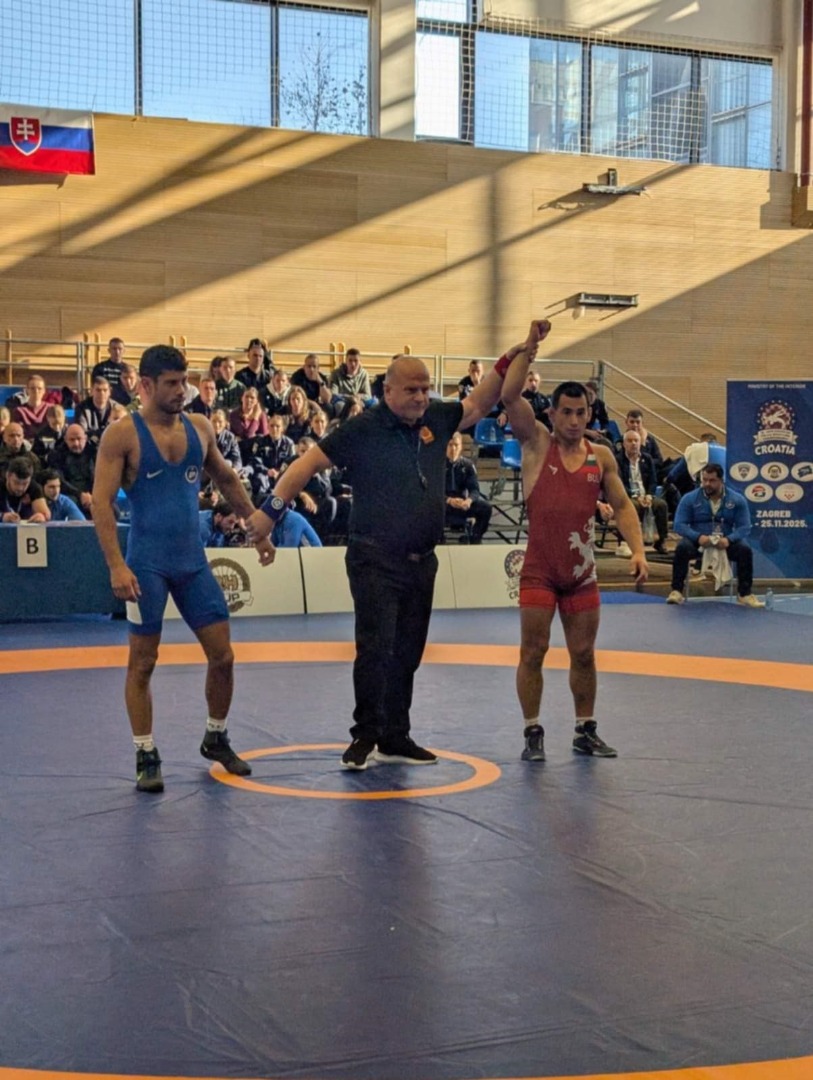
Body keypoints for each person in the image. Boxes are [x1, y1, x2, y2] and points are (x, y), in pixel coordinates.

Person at [246, 320, 551, 770]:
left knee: (408, 652)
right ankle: (365, 734)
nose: (421, 397)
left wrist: (514, 354)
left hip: (421, 561)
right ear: (387, 390)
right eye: (412, 390)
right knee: (376, 648)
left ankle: (395, 736)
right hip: (374, 558)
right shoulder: (363, 428)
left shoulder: (436, 418)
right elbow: (306, 464)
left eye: (426, 389)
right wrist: (268, 513)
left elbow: (481, 400)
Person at [92, 344, 274, 794]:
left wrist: (257, 527)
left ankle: (216, 736)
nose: (181, 390)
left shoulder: (200, 427)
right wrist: (116, 565)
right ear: (146, 385)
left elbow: (226, 479)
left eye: (184, 381)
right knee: (143, 662)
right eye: (171, 383)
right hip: (146, 565)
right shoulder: (122, 435)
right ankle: (145, 752)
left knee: (223, 656)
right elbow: (101, 502)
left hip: (192, 562)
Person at [500, 366, 648, 764]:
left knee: (583, 653)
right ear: (552, 414)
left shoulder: (601, 457)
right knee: (533, 651)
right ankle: (532, 731)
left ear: (589, 414)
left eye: (581, 413)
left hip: (581, 573)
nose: (573, 420)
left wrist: (637, 550)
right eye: (565, 412)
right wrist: (527, 350)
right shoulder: (536, 444)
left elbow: (622, 505)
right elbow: (510, 396)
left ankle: (585, 729)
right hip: (540, 570)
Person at [666, 462, 764, 608]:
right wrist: (698, 537)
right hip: (699, 540)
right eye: (704, 480)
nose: (707, 484)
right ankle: (676, 591)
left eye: (712, 480)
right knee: (682, 548)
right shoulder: (689, 498)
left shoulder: (737, 499)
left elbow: (744, 527)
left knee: (745, 550)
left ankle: (745, 594)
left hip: (725, 540)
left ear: (721, 480)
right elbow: (679, 525)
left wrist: (729, 539)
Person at [615, 429, 669, 554]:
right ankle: (626, 541)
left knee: (661, 505)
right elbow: (619, 483)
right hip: (628, 495)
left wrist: (649, 495)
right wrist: (635, 496)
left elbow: (653, 481)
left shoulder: (647, 458)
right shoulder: (618, 460)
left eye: (636, 441)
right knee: (631, 506)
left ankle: (661, 541)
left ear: (640, 443)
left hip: (645, 495)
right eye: (630, 441)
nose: (633, 443)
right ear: (624, 444)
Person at [444, 432, 492, 544]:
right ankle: (436, 537)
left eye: (456, 445)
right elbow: (432, 492)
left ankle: (475, 537)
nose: (453, 449)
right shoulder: (437, 465)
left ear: (461, 447)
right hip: (443, 503)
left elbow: (474, 489)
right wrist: (449, 500)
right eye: (450, 445)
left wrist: (469, 501)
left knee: (486, 508)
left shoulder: (468, 465)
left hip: (462, 503)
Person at [0, 457, 49, 522]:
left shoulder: (34, 488)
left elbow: (45, 514)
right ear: (8, 476)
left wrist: (41, 516)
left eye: (25, 483)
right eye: (16, 482)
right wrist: (2, 516)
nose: (20, 488)